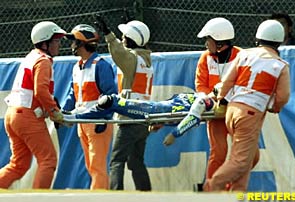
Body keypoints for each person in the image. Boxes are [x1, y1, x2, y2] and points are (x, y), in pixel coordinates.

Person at [203, 20, 290, 191]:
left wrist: (219, 97)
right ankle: (210, 190)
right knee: (241, 162)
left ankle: (236, 195)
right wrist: (276, 107)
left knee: (249, 158)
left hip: (232, 110)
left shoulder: (244, 55)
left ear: (257, 39)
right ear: (279, 41)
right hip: (250, 114)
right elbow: (283, 96)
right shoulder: (280, 65)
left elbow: (227, 81)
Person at [0, 21, 66, 188]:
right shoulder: (44, 61)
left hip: (13, 114)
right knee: (48, 160)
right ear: (45, 43)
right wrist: (54, 111)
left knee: (18, 165)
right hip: (27, 116)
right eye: (56, 40)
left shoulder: (32, 56)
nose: (59, 44)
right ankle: (38, 199)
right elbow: (41, 91)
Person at [95, 16, 153, 191]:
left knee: (116, 160)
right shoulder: (145, 59)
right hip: (143, 119)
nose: (121, 39)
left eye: (124, 36)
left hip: (128, 119)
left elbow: (119, 53)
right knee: (136, 162)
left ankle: (116, 196)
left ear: (130, 40)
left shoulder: (132, 60)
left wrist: (108, 35)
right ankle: (146, 194)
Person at [62, 24, 117, 189]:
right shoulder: (77, 66)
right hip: (83, 124)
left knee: (97, 166)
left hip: (97, 123)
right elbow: (73, 93)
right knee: (91, 165)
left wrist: (104, 118)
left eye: (74, 41)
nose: (71, 45)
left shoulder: (101, 65)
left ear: (82, 43)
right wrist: (64, 111)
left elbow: (111, 96)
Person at [63, 92, 216, 146]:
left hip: (156, 110)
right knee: (111, 102)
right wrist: (169, 130)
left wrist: (167, 128)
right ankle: (73, 116)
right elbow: (188, 115)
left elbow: (187, 116)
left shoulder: (204, 100)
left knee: (111, 102)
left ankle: (73, 116)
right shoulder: (205, 99)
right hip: (156, 109)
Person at [195, 17, 242, 185]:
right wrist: (211, 101)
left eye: (208, 40)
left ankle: (233, 190)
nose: (206, 44)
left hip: (236, 113)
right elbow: (200, 87)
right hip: (215, 114)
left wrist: (226, 101)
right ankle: (212, 191)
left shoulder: (241, 57)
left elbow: (243, 86)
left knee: (242, 154)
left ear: (220, 43)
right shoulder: (205, 58)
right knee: (219, 153)